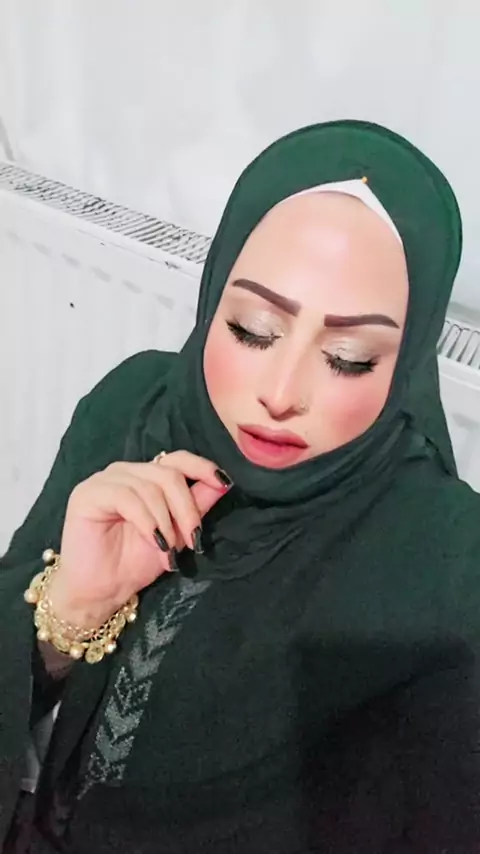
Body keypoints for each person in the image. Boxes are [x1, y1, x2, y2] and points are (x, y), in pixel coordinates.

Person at [0, 118, 479, 854]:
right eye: (252, 329)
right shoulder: (131, 409)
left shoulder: (442, 560)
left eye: (350, 358)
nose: (280, 394)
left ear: (407, 364)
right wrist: (72, 611)